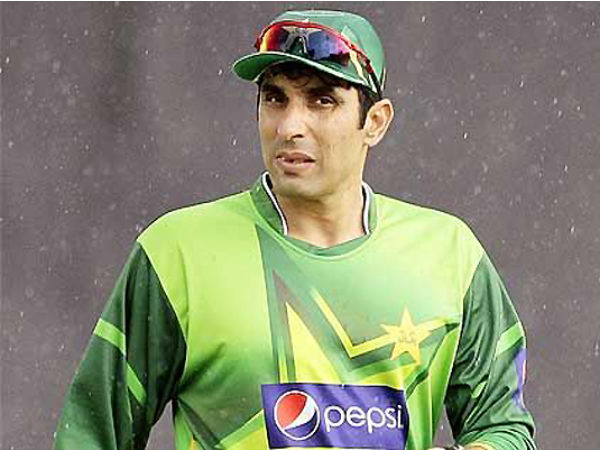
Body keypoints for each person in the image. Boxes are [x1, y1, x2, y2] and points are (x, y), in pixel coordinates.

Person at [54, 9, 536, 450]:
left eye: (322, 100)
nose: (290, 126)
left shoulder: (450, 253)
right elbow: (90, 436)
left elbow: (505, 427)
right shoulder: (176, 252)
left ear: (375, 122)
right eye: (275, 99)